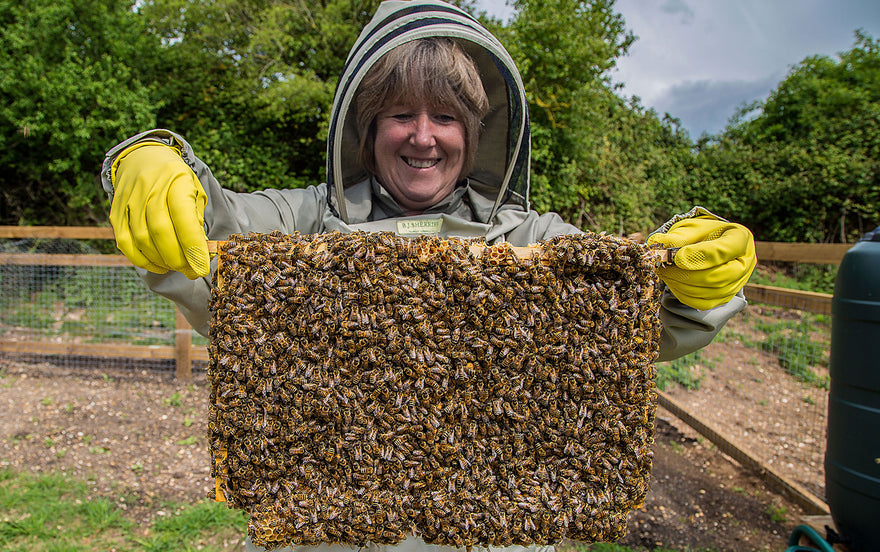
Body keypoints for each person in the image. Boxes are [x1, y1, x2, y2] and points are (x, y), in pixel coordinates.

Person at [102, 1, 755, 550]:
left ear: (474, 133)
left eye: (444, 116)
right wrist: (148, 160)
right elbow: (208, 241)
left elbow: (638, 313)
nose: (423, 136)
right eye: (400, 114)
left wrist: (697, 289)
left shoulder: (532, 239)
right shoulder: (299, 220)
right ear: (367, 128)